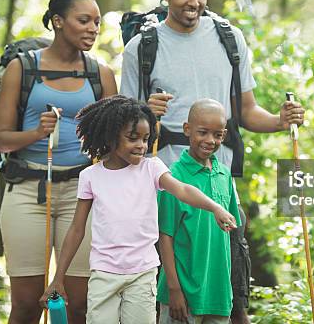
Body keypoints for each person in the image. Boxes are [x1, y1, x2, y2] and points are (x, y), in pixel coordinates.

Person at [120, 0, 305, 323]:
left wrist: (280, 122)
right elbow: (125, 128)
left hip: (219, 177)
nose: (194, 1)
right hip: (165, 178)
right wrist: (144, 111)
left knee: (230, 285)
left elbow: (247, 111)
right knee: (172, 286)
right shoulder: (141, 48)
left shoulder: (229, 39)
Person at [39, 95, 237, 324]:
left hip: (143, 274)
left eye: (145, 138)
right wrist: (58, 278)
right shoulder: (90, 176)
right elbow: (76, 230)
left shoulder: (152, 168)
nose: (141, 146)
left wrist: (215, 208)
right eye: (133, 138)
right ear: (111, 138)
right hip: (104, 274)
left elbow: (182, 190)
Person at [0, 0, 117, 324]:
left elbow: (114, 148)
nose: (93, 28)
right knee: (26, 305)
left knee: (78, 305)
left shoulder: (101, 74)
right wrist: (37, 133)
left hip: (83, 196)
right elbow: (1, 140)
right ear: (58, 21)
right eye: (84, 20)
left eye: (97, 22)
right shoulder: (22, 69)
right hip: (26, 192)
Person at [158, 99, 242, 324]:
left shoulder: (225, 175)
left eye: (217, 135)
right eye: (202, 132)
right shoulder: (172, 178)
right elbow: (164, 237)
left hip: (218, 293)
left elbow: (232, 233)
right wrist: (174, 289)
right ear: (187, 129)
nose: (210, 141)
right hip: (182, 294)